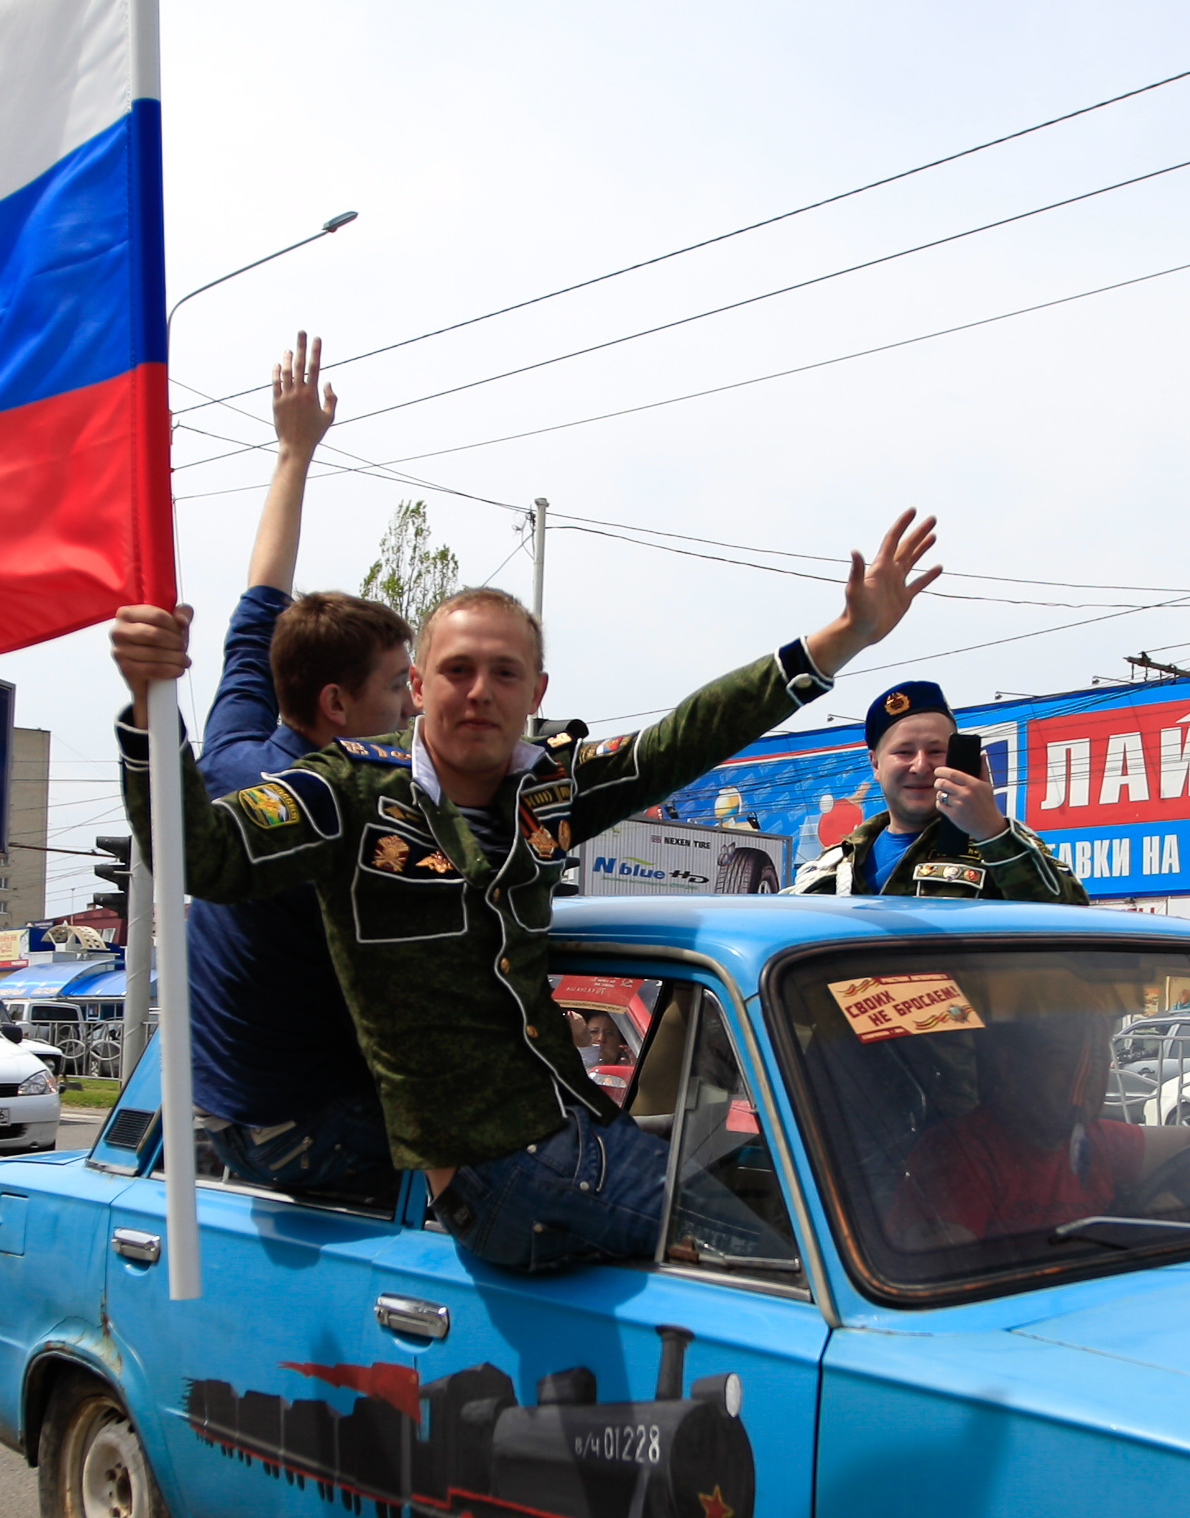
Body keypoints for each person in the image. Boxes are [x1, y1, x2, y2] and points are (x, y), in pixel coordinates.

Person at [115, 513, 943, 1272]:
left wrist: (843, 638)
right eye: (457, 670)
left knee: (849, 1181)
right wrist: (149, 713)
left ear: (536, 693)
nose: (480, 691)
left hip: (574, 1123)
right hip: (494, 1169)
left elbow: (679, 741)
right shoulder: (347, 795)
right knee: (800, 1255)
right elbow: (203, 858)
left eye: (504, 673)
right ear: (419, 688)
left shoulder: (549, 789)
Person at [140, 334, 414, 1194]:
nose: (411, 704)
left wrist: (293, 453)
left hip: (227, 1114)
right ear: (336, 706)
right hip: (304, 1133)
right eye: (400, 686)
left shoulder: (232, 750)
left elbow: (262, 596)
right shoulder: (331, 828)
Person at [894, 976, 1190, 1247]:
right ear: (1010, 1064)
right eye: (1065, 1059)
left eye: (1097, 1059)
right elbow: (955, 1284)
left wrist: (1144, 1214)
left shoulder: (1096, 1142)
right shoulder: (960, 1156)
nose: (1086, 1077)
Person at [793, 681, 1088, 902]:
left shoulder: (1002, 845)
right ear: (875, 764)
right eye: (904, 752)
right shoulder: (835, 864)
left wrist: (992, 832)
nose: (921, 766)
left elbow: (1071, 923)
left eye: (936, 751)